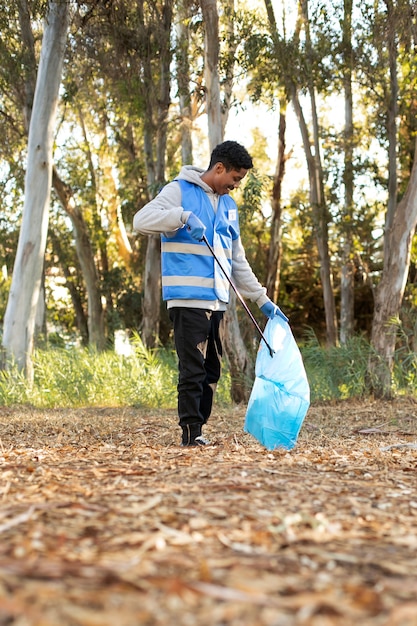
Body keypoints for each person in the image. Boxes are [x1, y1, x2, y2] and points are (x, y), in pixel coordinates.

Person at [133, 140, 286, 447]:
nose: (236, 185)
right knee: (193, 368)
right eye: (235, 178)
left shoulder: (229, 206)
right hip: (187, 298)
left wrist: (262, 299)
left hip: (217, 302)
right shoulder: (179, 191)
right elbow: (141, 221)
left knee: (211, 370)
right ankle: (191, 433)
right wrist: (181, 217)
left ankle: (199, 428)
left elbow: (236, 259)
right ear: (219, 168)